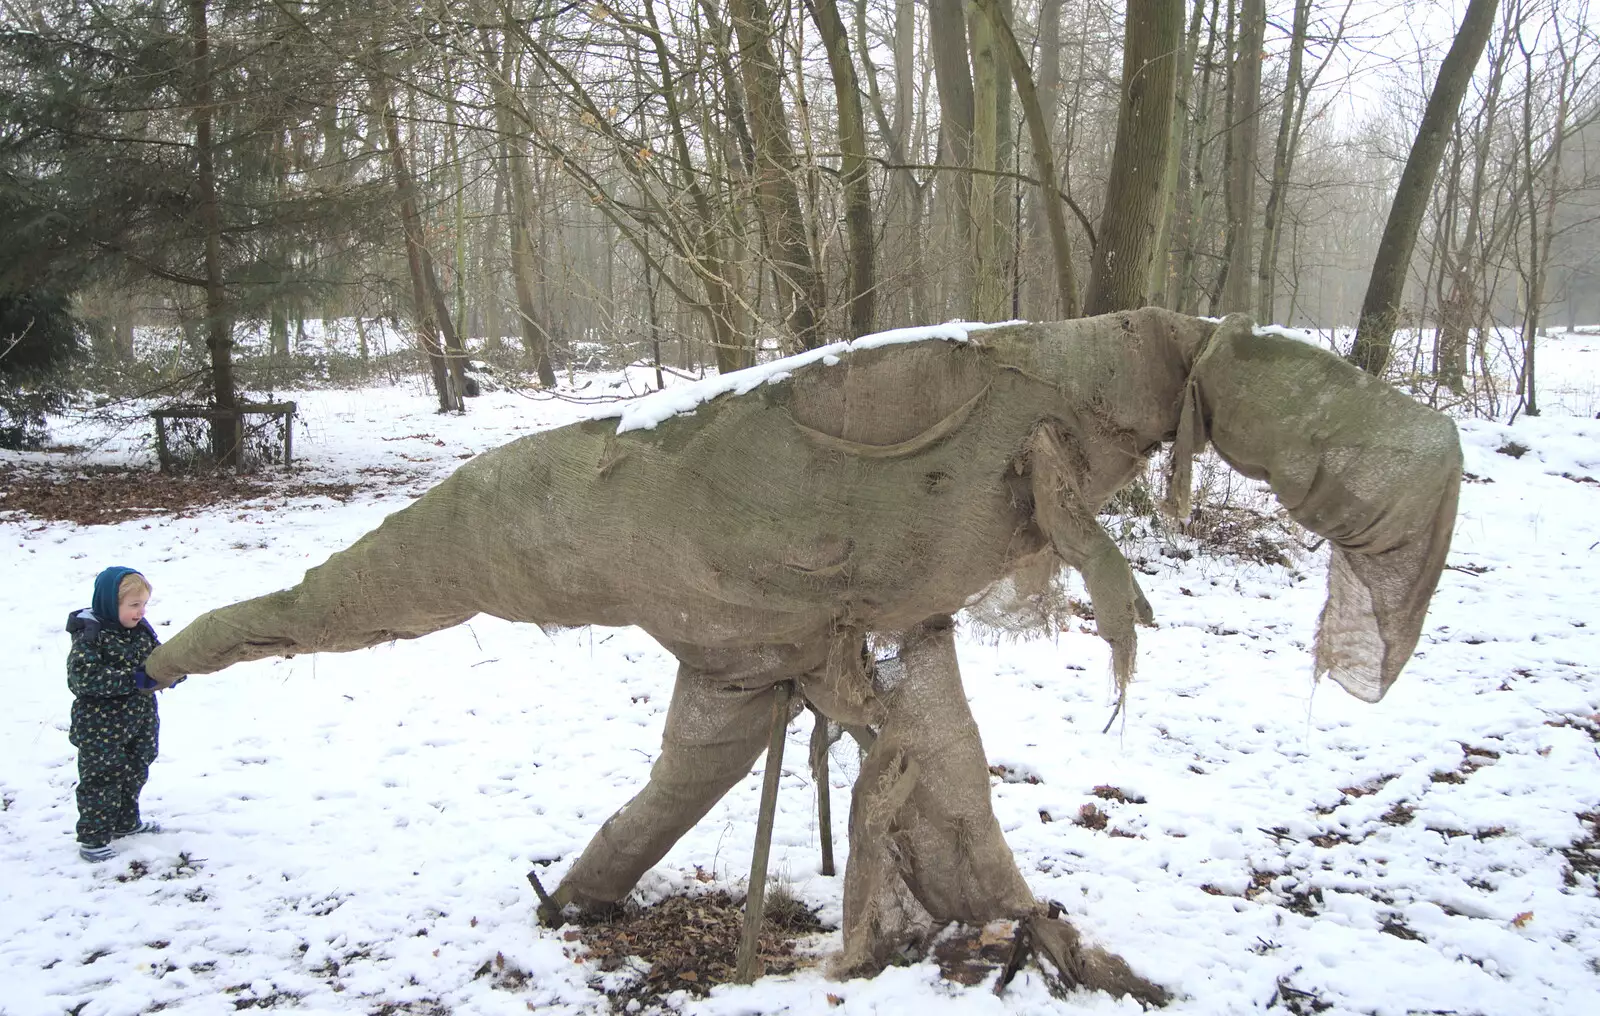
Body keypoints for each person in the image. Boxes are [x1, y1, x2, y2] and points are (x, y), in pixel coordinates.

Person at [67, 566, 170, 862]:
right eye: (134, 605)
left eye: (144, 604)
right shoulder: (91, 635)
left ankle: (125, 821)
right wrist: (134, 680)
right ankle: (94, 838)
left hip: (139, 718)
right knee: (102, 778)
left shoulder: (140, 630)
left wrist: (170, 672)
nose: (141, 611)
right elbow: (83, 679)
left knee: (138, 766)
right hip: (100, 725)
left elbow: (158, 657)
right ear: (111, 604)